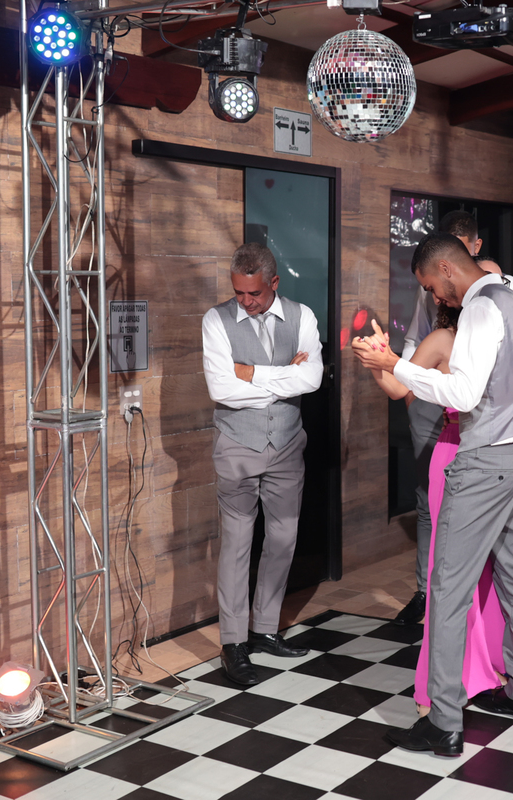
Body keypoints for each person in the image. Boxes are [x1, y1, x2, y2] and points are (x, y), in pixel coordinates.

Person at [354, 232, 513, 756]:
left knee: (447, 589)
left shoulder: (482, 309)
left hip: (485, 462)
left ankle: (443, 722)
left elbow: (462, 394)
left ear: (445, 269)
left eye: (430, 286)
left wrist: (395, 365)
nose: (435, 297)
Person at [202, 242, 323, 685]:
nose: (245, 301)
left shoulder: (302, 316)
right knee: (237, 542)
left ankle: (265, 628)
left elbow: (312, 378)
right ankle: (233, 643)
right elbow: (221, 390)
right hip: (237, 444)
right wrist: (285, 378)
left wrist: (251, 372)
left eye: (254, 293)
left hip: (288, 444)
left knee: (284, 536)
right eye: (238, 292)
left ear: (274, 282)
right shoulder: (215, 320)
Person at [394, 211, 485, 627]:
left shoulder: (492, 288)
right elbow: (417, 336)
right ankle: (425, 591)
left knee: (466, 509)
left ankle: (467, 599)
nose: (437, 295)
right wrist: (412, 389)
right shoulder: (434, 297)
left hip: (470, 410)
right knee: (428, 503)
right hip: (428, 391)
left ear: (473, 248)